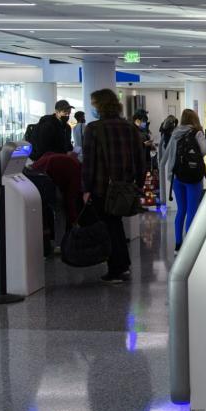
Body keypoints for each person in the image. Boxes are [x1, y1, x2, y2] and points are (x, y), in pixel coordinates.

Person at [81, 88, 146, 283]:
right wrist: (139, 184)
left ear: (99, 106)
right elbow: (140, 159)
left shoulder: (93, 129)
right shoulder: (130, 128)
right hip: (125, 187)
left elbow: (89, 162)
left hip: (102, 187)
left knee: (109, 225)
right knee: (115, 223)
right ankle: (122, 265)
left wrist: (86, 188)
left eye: (93, 104)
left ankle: (116, 268)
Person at [160, 109, 206, 251]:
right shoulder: (197, 132)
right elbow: (204, 151)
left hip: (177, 177)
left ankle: (178, 245)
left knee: (181, 210)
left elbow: (167, 156)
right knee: (192, 211)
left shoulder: (175, 133)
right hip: (193, 178)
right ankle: (190, 248)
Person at [31, 152, 82, 232]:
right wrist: (74, 222)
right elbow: (70, 199)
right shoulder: (77, 173)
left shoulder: (73, 162)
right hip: (42, 176)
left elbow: (47, 154)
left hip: (35, 169)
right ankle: (61, 242)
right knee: (60, 209)